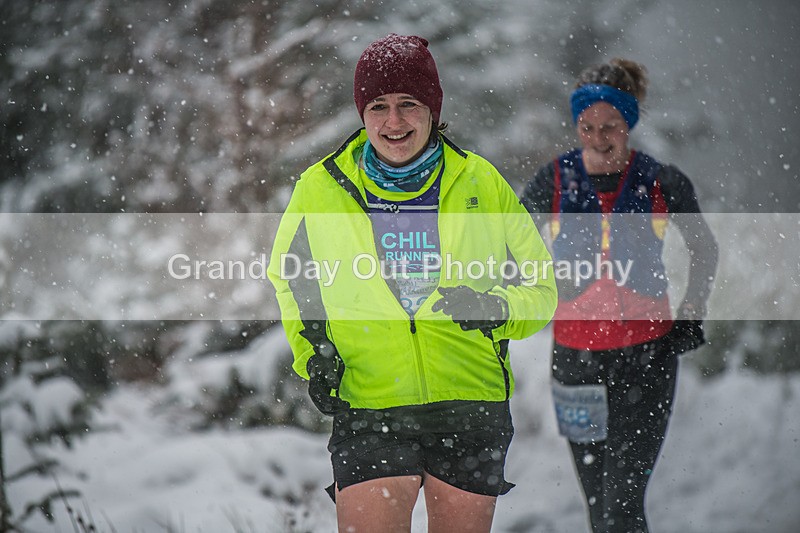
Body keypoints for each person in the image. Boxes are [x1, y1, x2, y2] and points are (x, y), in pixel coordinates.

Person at [268, 34, 557, 533]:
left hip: (468, 402)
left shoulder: (480, 182)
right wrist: (314, 352)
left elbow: (541, 287)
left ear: (432, 109)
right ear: (362, 113)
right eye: (378, 106)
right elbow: (291, 277)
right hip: (369, 401)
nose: (393, 121)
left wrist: (496, 309)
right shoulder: (322, 186)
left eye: (408, 104)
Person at [520, 58, 718, 533]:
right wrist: (537, 287)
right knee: (599, 509)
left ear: (628, 122)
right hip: (575, 363)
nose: (598, 137)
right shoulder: (554, 180)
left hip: (646, 359)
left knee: (622, 507)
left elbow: (703, 247)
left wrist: (691, 310)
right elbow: (512, 244)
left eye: (609, 125)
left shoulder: (661, 180)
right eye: (586, 126)